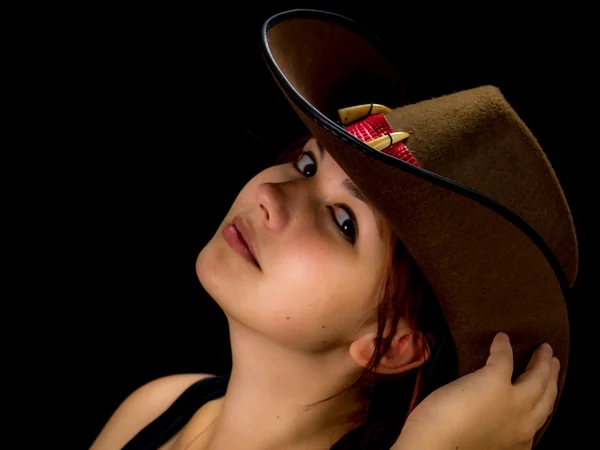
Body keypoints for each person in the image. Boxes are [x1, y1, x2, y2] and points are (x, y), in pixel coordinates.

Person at [89, 9, 577, 450]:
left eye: (344, 221)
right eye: (306, 164)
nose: (269, 194)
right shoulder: (158, 407)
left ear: (391, 346)